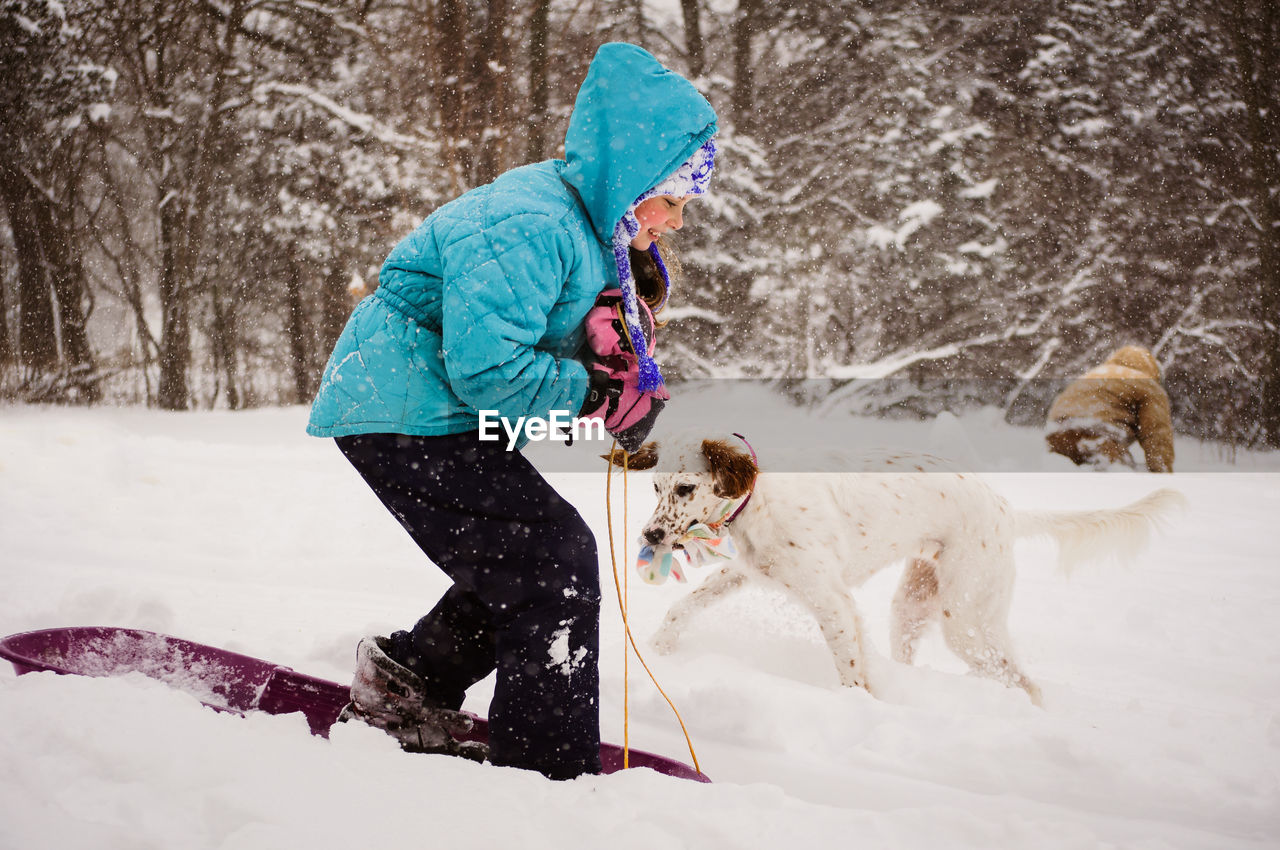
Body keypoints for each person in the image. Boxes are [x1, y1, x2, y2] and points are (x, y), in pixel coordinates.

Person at [305, 42, 718, 780]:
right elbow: (488, 368)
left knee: (524, 558)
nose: (678, 222)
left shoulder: (588, 230)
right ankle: (542, 775)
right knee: (550, 562)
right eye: (674, 199)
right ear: (631, 180)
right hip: (398, 410)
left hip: (430, 409)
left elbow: (542, 348)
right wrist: (592, 395)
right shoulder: (531, 223)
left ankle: (407, 687)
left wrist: (620, 391)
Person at [1044, 345, 1175, 473]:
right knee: (1121, 483)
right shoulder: (1149, 384)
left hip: (1056, 433)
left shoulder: (1095, 373)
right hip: (1097, 433)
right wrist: (1162, 472)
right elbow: (1157, 433)